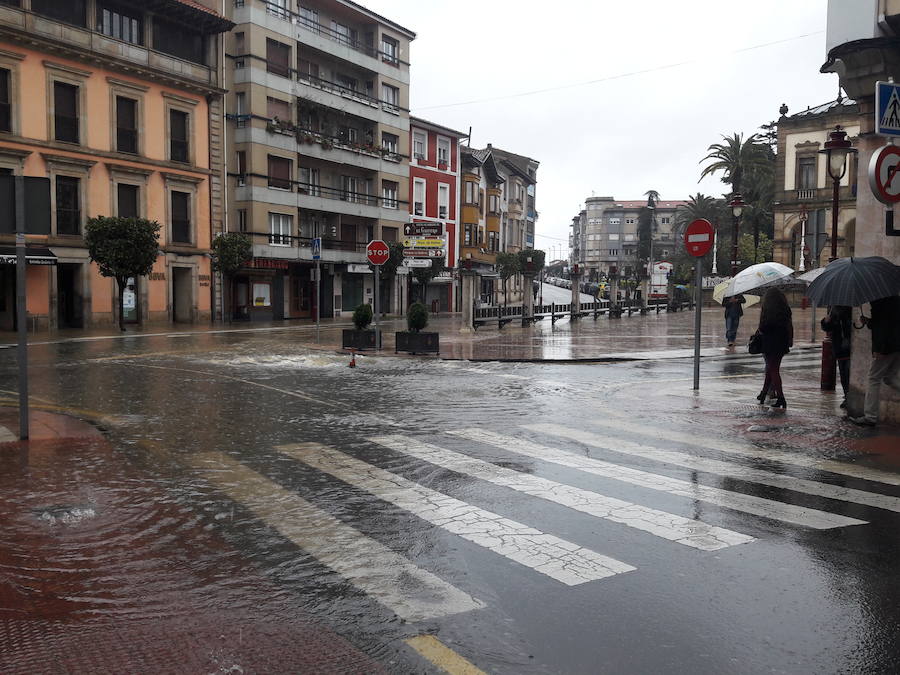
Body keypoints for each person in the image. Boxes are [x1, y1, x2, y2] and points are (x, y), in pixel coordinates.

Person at [849, 295, 900, 427]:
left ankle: (870, 416)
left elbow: (884, 326)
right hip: (896, 346)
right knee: (890, 378)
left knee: (873, 378)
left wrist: (879, 349)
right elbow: (883, 322)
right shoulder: (894, 299)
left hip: (887, 347)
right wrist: (868, 321)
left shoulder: (881, 301)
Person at [756, 288, 793, 408]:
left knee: (773, 370)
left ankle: (781, 397)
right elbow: (789, 326)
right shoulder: (785, 309)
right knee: (771, 368)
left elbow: (763, 327)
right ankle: (763, 392)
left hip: (769, 342)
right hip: (782, 342)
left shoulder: (767, 310)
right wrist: (790, 340)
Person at [821, 305, 853, 409]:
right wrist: (826, 321)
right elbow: (827, 327)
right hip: (839, 348)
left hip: (848, 347)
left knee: (848, 373)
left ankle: (849, 397)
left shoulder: (851, 309)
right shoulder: (834, 310)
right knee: (843, 375)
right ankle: (847, 396)